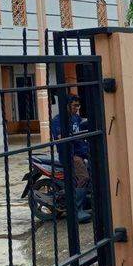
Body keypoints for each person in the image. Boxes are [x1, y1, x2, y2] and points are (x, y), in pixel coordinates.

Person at [51, 95, 91, 223]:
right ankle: (76, 210)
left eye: (78, 106)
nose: (77, 108)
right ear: (67, 106)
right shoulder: (58, 120)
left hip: (82, 152)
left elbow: (83, 126)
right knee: (84, 177)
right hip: (70, 155)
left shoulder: (76, 118)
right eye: (74, 105)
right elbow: (60, 136)